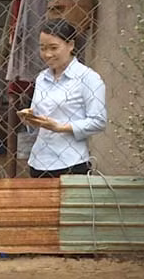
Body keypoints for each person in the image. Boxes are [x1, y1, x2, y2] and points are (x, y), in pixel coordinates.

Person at [20, 18, 106, 178]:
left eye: (53, 47)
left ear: (71, 45)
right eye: (43, 48)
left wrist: (61, 127)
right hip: (39, 161)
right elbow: (39, 118)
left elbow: (98, 121)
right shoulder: (41, 78)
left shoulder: (88, 78)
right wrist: (30, 118)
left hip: (71, 162)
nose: (47, 54)